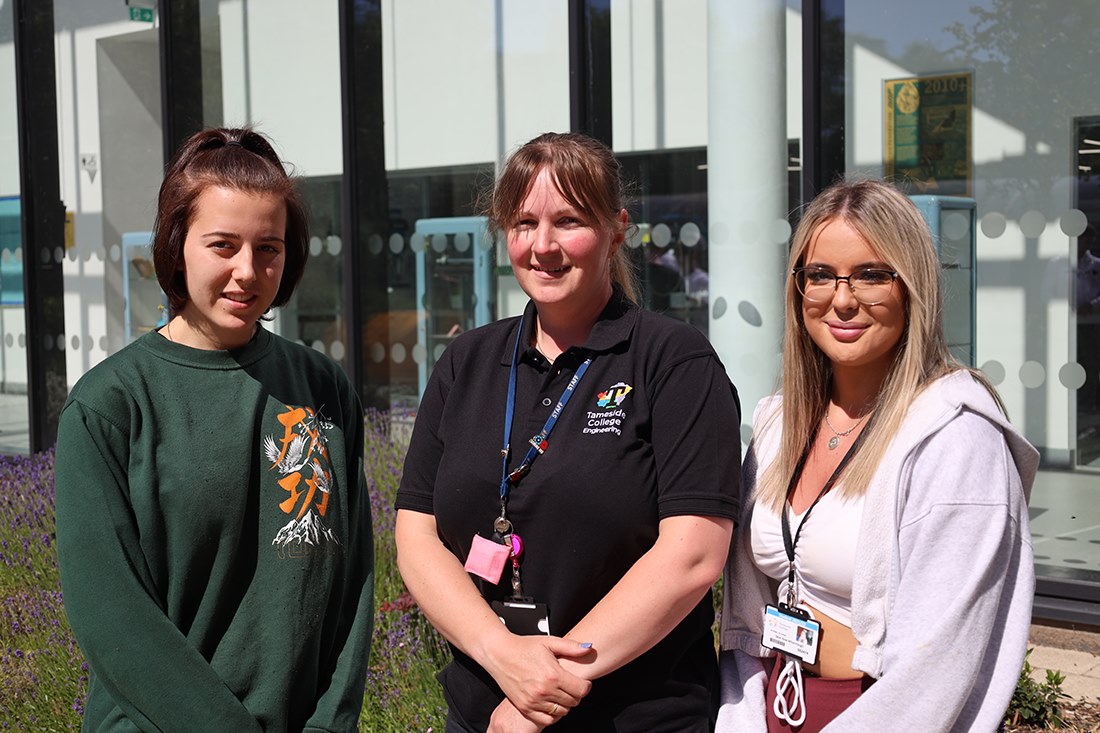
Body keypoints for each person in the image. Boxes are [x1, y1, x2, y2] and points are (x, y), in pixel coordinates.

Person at [394, 131, 741, 732]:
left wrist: (546, 688)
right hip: (486, 715)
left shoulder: (673, 362)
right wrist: (503, 657)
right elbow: (417, 535)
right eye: (524, 223)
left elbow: (692, 555)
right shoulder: (467, 362)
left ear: (616, 229)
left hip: (632, 718)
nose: (544, 245)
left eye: (570, 221)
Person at [54, 127, 374, 733]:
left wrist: (332, 724)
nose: (247, 272)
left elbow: (352, 583)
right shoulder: (110, 407)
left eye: (269, 248)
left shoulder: (323, 389)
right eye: (222, 245)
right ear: (177, 246)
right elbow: (113, 615)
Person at [717, 179, 1037, 732]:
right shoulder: (777, 423)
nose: (842, 299)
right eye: (819, 275)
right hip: (774, 706)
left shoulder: (958, 438)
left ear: (913, 286)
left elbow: (937, 673)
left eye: (871, 274)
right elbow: (744, 623)